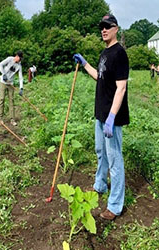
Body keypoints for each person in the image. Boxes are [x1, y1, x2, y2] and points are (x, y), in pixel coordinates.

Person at [74, 14, 129, 220]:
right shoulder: (105, 53)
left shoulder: (120, 53)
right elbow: (100, 76)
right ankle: (100, 185)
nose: (104, 30)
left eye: (108, 26)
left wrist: (112, 116)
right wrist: (85, 63)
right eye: (102, 27)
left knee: (115, 160)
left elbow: (121, 87)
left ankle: (115, 206)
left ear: (116, 29)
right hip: (100, 113)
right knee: (100, 152)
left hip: (111, 117)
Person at [0, 51, 24, 126]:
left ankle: (12, 119)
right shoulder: (9, 59)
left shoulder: (19, 66)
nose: (20, 60)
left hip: (10, 84)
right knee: (2, 99)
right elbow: (0, 64)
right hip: (3, 82)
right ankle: (0, 118)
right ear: (17, 56)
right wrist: (3, 74)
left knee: (11, 101)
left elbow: (20, 77)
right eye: (20, 58)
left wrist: (21, 88)